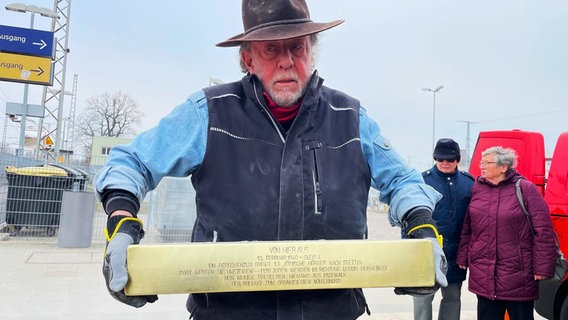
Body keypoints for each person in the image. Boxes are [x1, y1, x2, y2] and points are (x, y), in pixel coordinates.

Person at [95, 0, 447, 319]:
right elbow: (132, 162)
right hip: (228, 314)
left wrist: (421, 228)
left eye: (297, 47)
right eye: (270, 49)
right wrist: (121, 221)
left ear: (312, 52)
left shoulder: (350, 118)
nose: (286, 60)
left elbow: (403, 181)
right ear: (247, 59)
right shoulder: (209, 114)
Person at [456, 146, 557, 320]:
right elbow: (468, 228)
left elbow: (543, 231)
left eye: (488, 162)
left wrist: (542, 267)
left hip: (519, 274)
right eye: (482, 162)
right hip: (484, 273)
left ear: (503, 167)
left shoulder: (525, 188)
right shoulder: (478, 189)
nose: (482, 166)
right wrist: (463, 257)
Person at [413, 139, 474, 320]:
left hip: (455, 254)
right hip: (426, 253)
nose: (445, 163)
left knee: (453, 299)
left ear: (457, 159)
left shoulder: (469, 183)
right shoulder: (421, 182)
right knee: (423, 300)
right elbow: (408, 218)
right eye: (440, 159)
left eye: (449, 159)